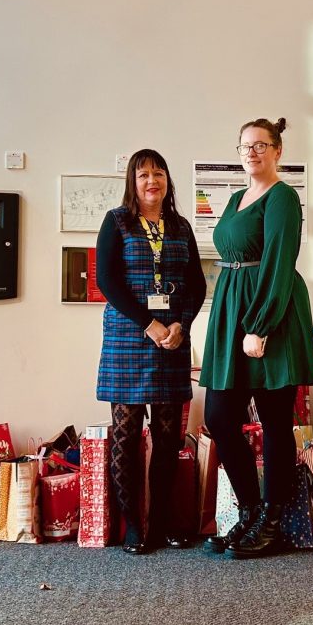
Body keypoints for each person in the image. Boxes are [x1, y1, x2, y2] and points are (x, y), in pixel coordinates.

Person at [200, 117, 313, 559]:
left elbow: (279, 262)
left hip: (271, 312)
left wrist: (260, 325)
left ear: (277, 151)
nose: (252, 152)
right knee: (220, 416)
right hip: (232, 310)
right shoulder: (235, 199)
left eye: (261, 146)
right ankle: (250, 512)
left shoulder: (283, 198)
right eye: (245, 146)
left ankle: (271, 521)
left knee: (274, 421)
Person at [96, 149, 206, 554]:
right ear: (132, 181)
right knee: (125, 436)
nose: (151, 181)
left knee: (167, 439)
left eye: (158, 173)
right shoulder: (117, 222)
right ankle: (132, 527)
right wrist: (149, 323)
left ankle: (159, 523)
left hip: (172, 342)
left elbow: (196, 284)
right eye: (143, 174)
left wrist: (182, 325)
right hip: (129, 339)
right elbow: (106, 280)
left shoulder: (180, 226)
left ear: (167, 180)